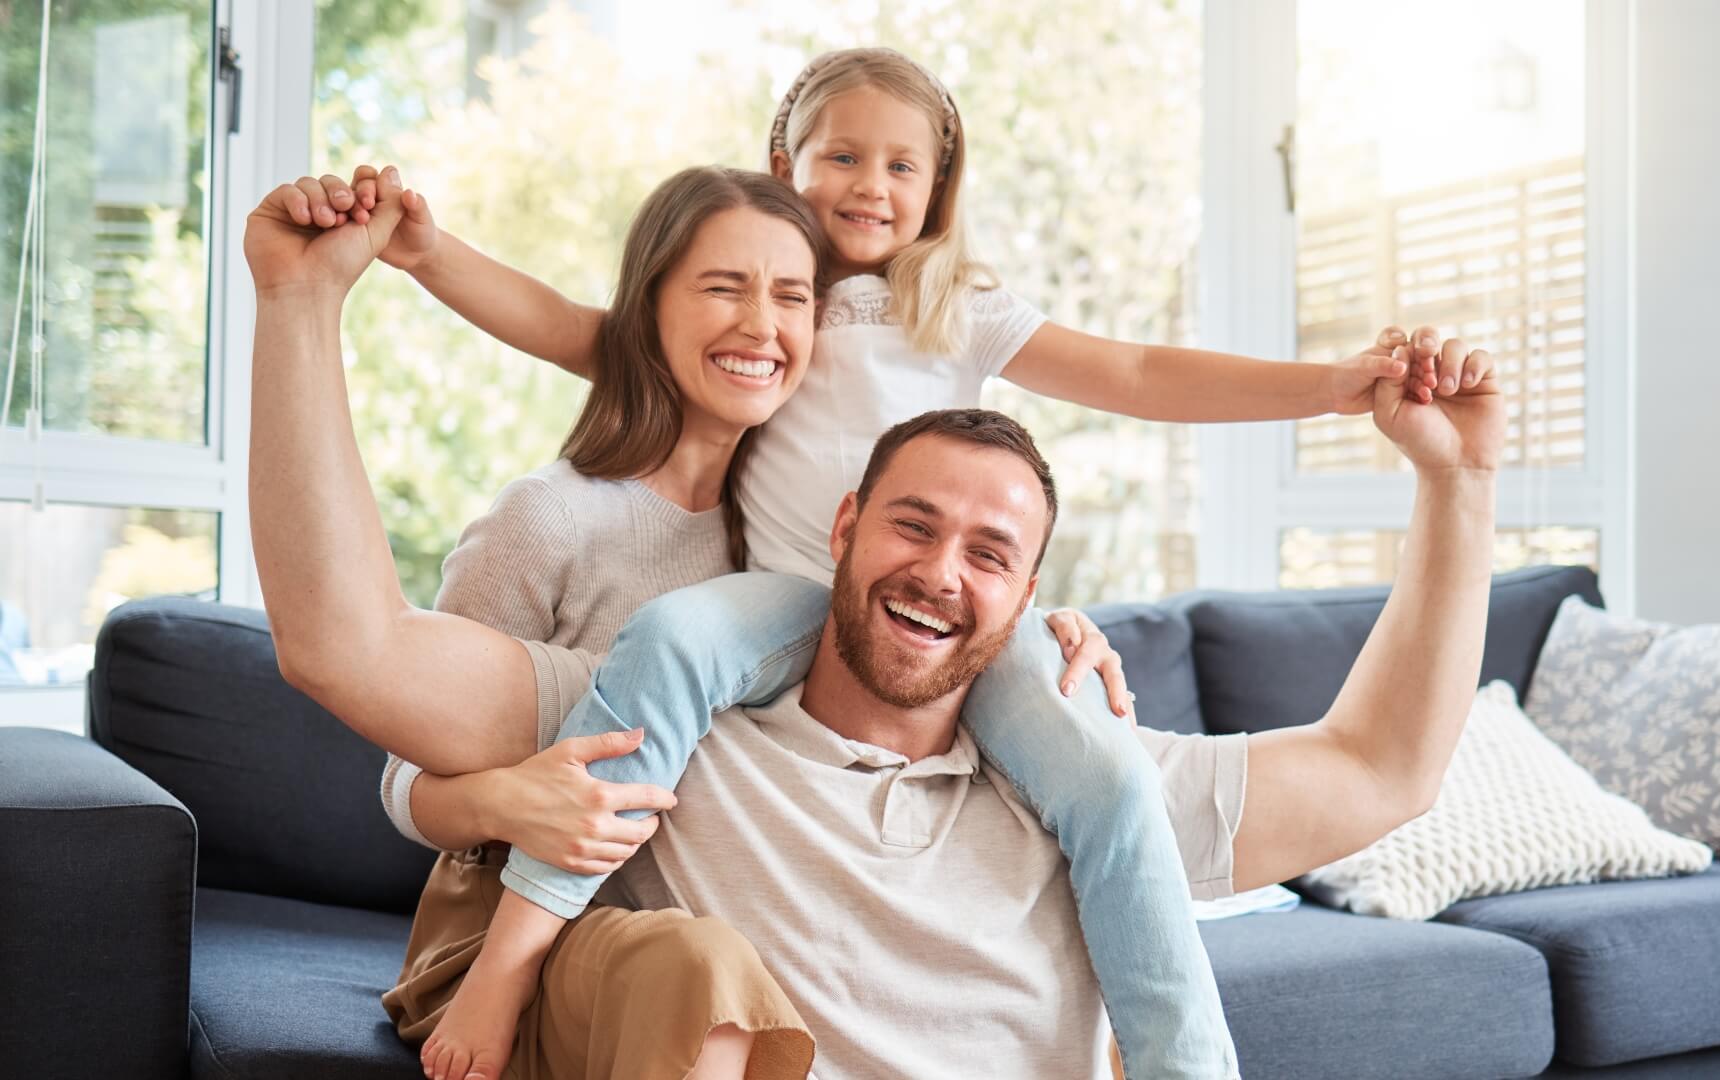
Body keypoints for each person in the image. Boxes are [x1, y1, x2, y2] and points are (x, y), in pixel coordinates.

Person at [313, 45, 1489, 1079]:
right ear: (784, 159)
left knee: (1113, 783)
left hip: (958, 653)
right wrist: (423, 255)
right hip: (782, 607)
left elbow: (1134, 376)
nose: (868, 189)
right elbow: (577, 332)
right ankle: (514, 952)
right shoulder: (781, 310)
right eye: (840, 159)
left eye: (900, 167)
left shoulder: (957, 306)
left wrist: (1340, 390)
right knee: (670, 644)